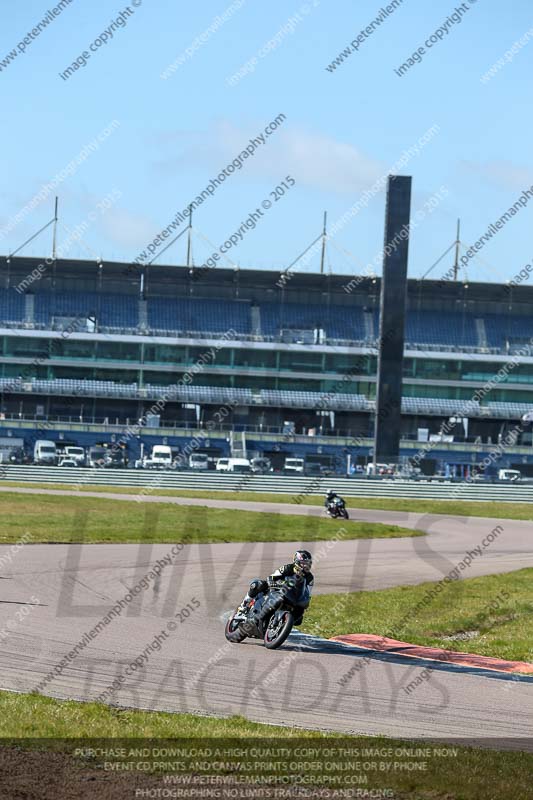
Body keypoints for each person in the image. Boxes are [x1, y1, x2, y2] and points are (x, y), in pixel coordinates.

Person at [237, 550, 314, 626]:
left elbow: (307, 593)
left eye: (307, 564)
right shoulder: (287, 568)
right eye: (303, 563)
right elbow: (272, 577)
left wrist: (305, 602)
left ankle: (282, 624)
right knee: (258, 584)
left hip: (292, 595)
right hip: (277, 589)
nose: (305, 566)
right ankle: (244, 605)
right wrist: (272, 582)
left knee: (299, 617)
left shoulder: (310, 578)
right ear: (296, 561)